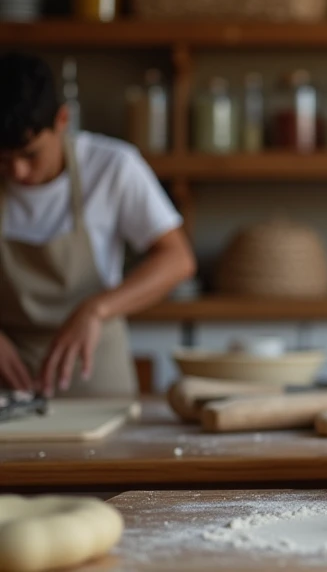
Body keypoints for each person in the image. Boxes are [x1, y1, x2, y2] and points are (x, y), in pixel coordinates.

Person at [0, 52, 196, 397]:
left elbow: (177, 259)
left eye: (30, 155)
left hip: (94, 369)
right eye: (3, 160)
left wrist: (97, 309)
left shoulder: (112, 167)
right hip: (7, 373)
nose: (17, 173)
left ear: (62, 119)